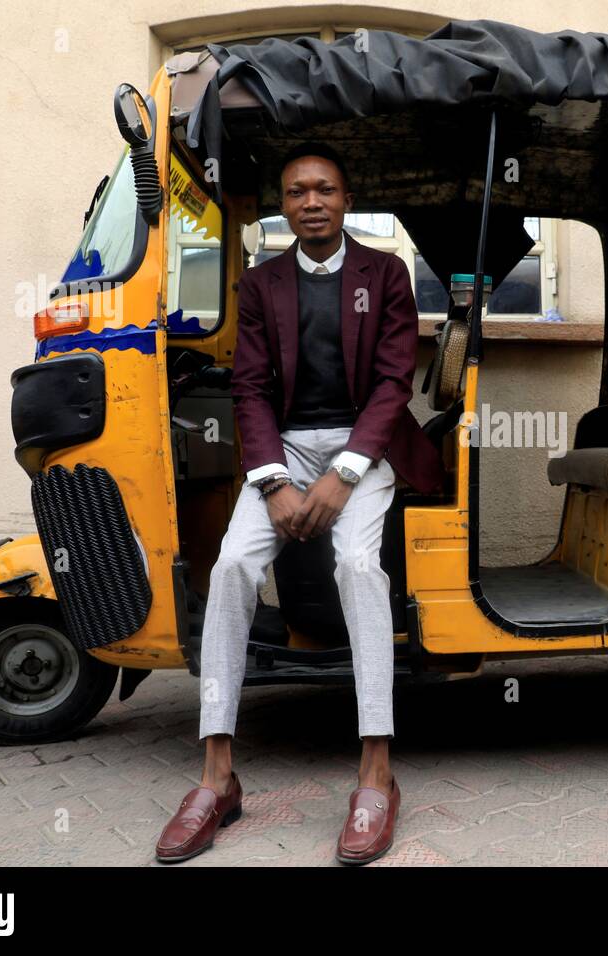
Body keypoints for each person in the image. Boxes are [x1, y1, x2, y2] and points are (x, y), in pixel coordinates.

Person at [155, 143, 444, 865]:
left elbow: (391, 383)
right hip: (281, 449)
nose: (311, 201)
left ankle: (376, 771)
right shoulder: (261, 284)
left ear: (347, 199)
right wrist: (275, 479)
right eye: (296, 192)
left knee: (357, 568)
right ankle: (217, 775)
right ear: (283, 205)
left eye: (325, 189)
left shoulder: (386, 273)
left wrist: (342, 474)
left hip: (363, 446)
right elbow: (248, 388)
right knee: (228, 569)